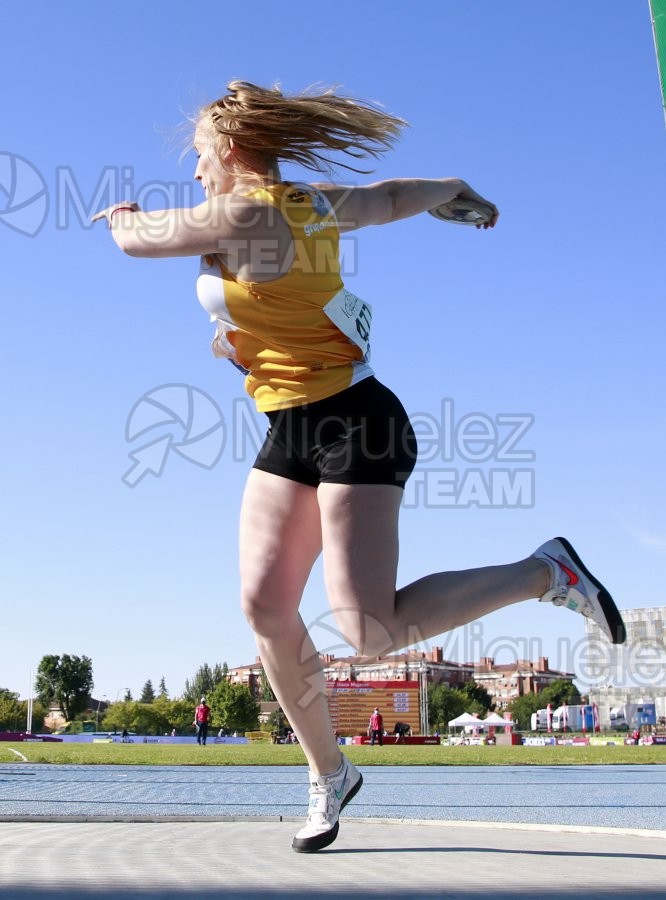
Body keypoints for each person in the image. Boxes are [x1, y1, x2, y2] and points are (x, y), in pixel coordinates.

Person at [91, 80, 627, 853]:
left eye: (201, 157)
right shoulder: (310, 203)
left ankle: (543, 575)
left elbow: (137, 243)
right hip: (289, 429)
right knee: (265, 608)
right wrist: (453, 191)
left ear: (232, 151)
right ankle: (329, 773)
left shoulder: (245, 210)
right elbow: (387, 196)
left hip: (358, 425)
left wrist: (122, 218)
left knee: (368, 631)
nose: (198, 172)